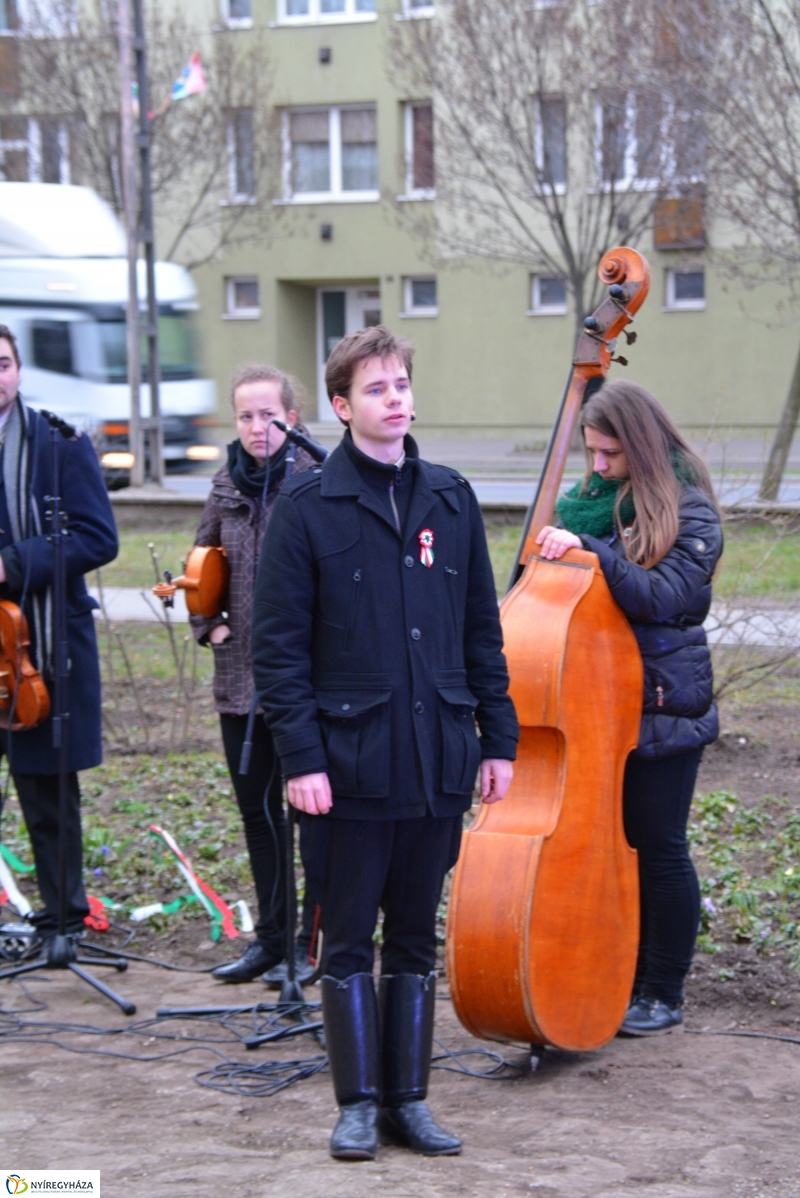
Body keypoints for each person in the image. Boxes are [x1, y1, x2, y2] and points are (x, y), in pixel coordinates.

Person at [251, 325, 518, 1161]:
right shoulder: (305, 508)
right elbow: (277, 652)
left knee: (413, 936)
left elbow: (481, 631)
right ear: (341, 406)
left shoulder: (450, 498)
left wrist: (498, 740)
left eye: (401, 384)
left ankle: (409, 1100)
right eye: (375, 388)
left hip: (438, 760)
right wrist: (302, 759)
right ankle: (358, 1105)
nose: (394, 398)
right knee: (346, 938)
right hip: (348, 766)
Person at [536, 378, 723, 1036]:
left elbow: (662, 596)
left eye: (609, 454)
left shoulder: (690, 509)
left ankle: (663, 991)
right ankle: (617, 974)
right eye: (590, 451)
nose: (597, 465)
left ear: (640, 446)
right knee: (607, 849)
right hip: (594, 703)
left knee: (658, 845)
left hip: (665, 701)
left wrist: (591, 553)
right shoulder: (586, 506)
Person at [190, 364, 323, 985]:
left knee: (313, 821)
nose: (256, 427)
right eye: (245, 416)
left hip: (306, 686)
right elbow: (200, 563)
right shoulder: (225, 485)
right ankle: (270, 939)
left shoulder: (317, 480)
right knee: (259, 815)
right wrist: (209, 627)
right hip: (241, 681)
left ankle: (310, 943)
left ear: (291, 418)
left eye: (268, 415)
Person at [0, 324, 118, 943]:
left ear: (18, 370)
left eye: (2, 364)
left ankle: (66, 919)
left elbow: (99, 538)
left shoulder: (58, 443)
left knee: (47, 793)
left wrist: (13, 564)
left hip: (36, 646)